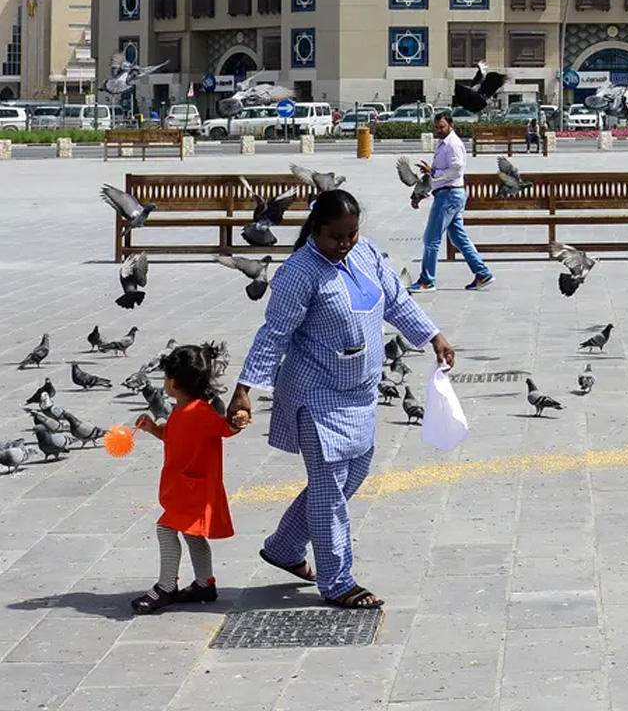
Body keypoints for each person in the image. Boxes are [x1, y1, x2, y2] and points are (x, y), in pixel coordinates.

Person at [228, 190, 454, 609]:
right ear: (317, 230)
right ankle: (337, 581)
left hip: (360, 391)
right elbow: (274, 334)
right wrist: (245, 388)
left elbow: (396, 300)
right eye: (337, 237)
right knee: (329, 489)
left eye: (351, 234)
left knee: (351, 476)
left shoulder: (365, 252)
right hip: (316, 394)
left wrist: (433, 336)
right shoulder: (299, 272)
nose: (345, 243)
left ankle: (283, 547)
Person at [131, 345, 246, 614]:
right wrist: (153, 429)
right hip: (184, 486)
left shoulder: (200, 412)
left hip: (195, 489)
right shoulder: (181, 409)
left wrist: (237, 421)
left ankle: (165, 587)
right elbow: (173, 437)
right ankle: (205, 584)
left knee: (165, 529)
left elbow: (224, 429)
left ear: (172, 382)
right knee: (191, 535)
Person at [408, 109, 493, 293]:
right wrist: (430, 175)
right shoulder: (443, 143)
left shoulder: (453, 144)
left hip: (449, 195)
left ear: (450, 125)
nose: (439, 130)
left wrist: (434, 175)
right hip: (449, 194)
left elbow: (456, 170)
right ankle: (482, 273)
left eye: (442, 126)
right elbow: (441, 171)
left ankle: (426, 281)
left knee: (431, 239)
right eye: (437, 127)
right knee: (458, 238)